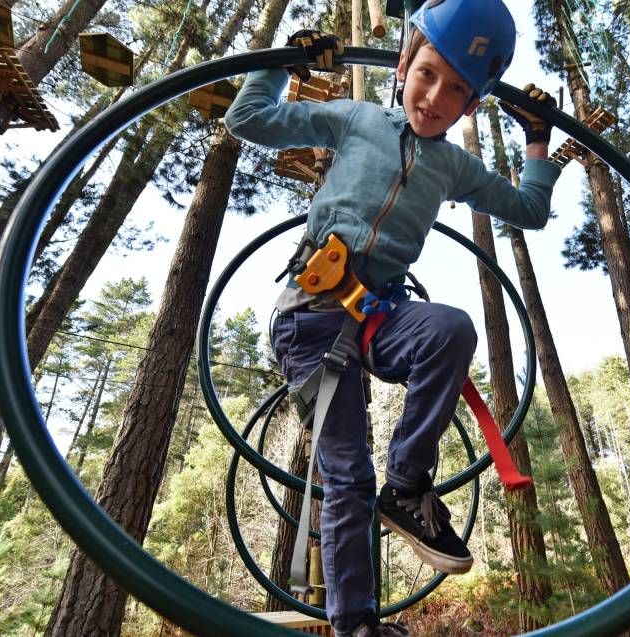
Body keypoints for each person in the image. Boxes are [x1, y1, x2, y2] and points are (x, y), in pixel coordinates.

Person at [225, 1, 559, 635]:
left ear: (472, 106)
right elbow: (250, 118)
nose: (435, 98)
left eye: (457, 90)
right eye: (428, 74)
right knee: (346, 475)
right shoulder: (356, 120)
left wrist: (537, 139)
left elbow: (529, 209)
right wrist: (281, 64)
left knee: (452, 328)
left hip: (381, 318)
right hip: (313, 317)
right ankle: (356, 626)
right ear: (404, 64)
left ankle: (408, 487)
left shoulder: (453, 165)